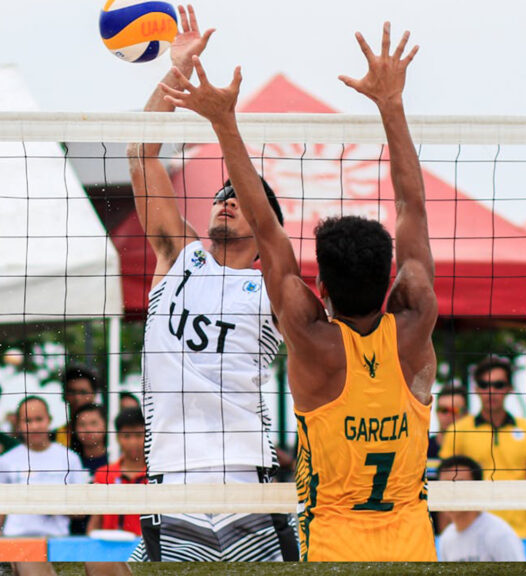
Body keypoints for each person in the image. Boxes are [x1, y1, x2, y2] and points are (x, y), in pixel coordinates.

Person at [161, 21, 437, 561]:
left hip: (332, 545)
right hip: (412, 546)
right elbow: (413, 208)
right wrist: (391, 105)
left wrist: (223, 123)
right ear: (391, 282)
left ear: (321, 288)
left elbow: (267, 230)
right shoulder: (416, 322)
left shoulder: (313, 340)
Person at [124, 4, 296, 563]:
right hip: (170, 473)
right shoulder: (179, 256)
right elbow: (139, 152)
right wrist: (175, 70)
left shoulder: (272, 285)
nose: (224, 200)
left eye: (238, 197)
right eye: (220, 193)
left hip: (247, 474)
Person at [438, 356, 526, 539]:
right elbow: (447, 490)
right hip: (472, 532)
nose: (491, 391)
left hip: (520, 533)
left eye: (498, 385)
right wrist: (444, 536)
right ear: (476, 389)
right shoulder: (457, 431)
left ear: (509, 389)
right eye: (484, 385)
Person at [0, 396, 89, 539]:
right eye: (28, 421)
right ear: (18, 425)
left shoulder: (70, 458)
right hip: (17, 538)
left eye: (39, 419)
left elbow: (80, 511)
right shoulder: (6, 460)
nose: (34, 426)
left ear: (50, 420)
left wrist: (53, 504)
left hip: (57, 539)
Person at [436, 456, 526, 562]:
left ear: (476, 489)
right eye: (445, 485)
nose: (451, 492)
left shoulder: (499, 534)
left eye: (458, 485)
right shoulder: (446, 539)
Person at [87, 407, 148, 536]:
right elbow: (96, 519)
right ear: (117, 437)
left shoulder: (156, 475)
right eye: (127, 436)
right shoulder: (103, 474)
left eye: (138, 435)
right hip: (110, 548)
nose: (133, 442)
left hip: (146, 548)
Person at [53, 366, 101, 452]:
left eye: (83, 392)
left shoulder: (111, 436)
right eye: (72, 392)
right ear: (64, 396)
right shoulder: (54, 438)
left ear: (94, 395)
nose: (77, 398)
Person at [428, 385, 467, 460]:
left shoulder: (473, 449)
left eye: (454, 410)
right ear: (436, 412)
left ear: (466, 414)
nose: (448, 415)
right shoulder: (424, 448)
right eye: (444, 410)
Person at [72, 403, 109, 474]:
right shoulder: (71, 460)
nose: (88, 429)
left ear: (105, 426)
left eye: (94, 423)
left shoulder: (115, 458)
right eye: (82, 424)